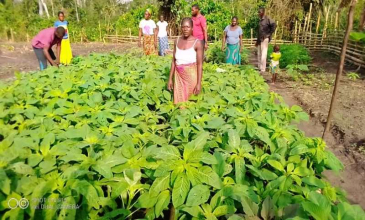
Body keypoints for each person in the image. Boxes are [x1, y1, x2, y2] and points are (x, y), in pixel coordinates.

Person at [167, 17, 203, 105]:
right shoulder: (177, 40)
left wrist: (198, 83)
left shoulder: (197, 43)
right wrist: (170, 79)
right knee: (179, 103)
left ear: (192, 28)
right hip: (178, 77)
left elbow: (199, 64)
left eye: (188, 27)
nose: (185, 29)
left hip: (191, 77)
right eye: (183, 27)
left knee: (189, 103)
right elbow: (173, 61)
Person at [255, 8, 276, 73]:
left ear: (263, 12)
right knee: (259, 53)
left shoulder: (268, 19)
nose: (259, 13)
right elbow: (260, 31)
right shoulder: (260, 20)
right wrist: (257, 41)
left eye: (260, 12)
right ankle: (259, 67)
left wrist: (268, 35)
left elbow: (274, 25)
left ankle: (262, 69)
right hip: (260, 39)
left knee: (263, 54)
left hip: (265, 39)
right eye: (258, 12)